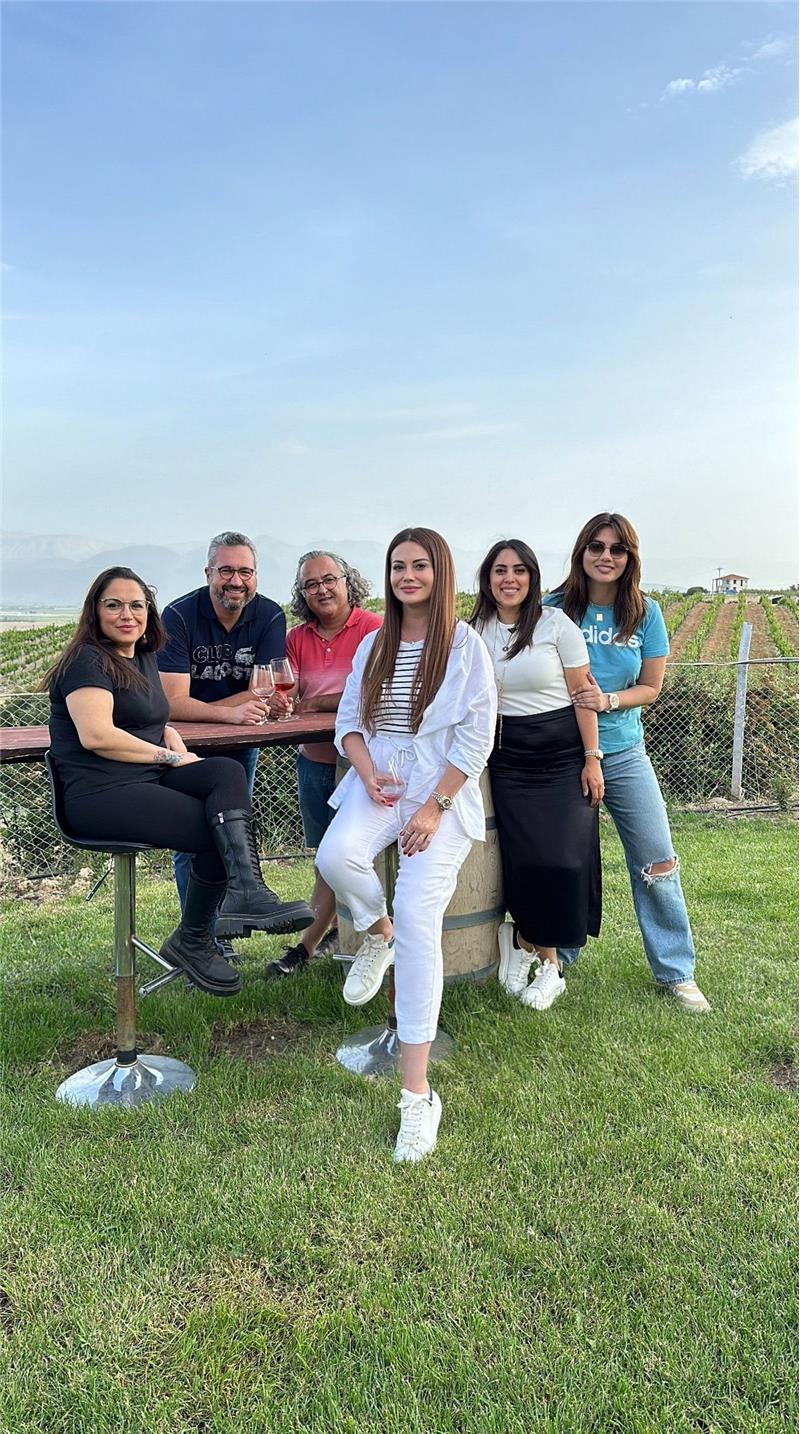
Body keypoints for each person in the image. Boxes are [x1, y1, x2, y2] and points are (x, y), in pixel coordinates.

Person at [316, 528, 497, 1163]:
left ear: (440, 573)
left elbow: (476, 739)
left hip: (439, 793)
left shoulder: (466, 647)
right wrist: (366, 773)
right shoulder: (375, 645)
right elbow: (349, 724)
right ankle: (377, 932)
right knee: (335, 857)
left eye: (420, 565)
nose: (407, 576)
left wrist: (434, 807)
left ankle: (417, 1095)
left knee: (420, 917)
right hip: (382, 782)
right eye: (398, 566)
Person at [46, 568, 314, 997]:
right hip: (99, 793)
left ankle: (245, 892)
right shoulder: (88, 661)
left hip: (143, 777)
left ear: (148, 611)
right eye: (114, 605)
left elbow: (149, 715)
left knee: (225, 771)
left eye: (137, 605)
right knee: (212, 828)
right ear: (94, 612)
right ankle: (195, 938)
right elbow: (97, 735)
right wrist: (170, 756)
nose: (127, 615)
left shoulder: (141, 655)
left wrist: (168, 734)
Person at [545, 512, 710, 1012]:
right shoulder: (554, 608)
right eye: (596, 547)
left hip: (624, 752)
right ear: (581, 552)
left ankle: (676, 971)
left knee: (657, 859)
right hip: (562, 753)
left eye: (617, 549)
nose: (606, 556)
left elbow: (651, 687)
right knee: (566, 860)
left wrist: (608, 701)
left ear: (630, 558)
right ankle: (556, 958)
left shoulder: (645, 613)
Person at [471, 540, 603, 1012]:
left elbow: (583, 695)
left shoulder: (556, 624)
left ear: (532, 577)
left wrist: (592, 758)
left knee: (565, 861)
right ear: (487, 578)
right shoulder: (473, 631)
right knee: (524, 862)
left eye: (519, 570)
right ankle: (547, 961)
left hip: (563, 756)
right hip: (506, 759)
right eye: (500, 570)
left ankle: (529, 946)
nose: (509, 579)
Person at [157, 531, 286, 944]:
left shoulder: (269, 615)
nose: (236, 581)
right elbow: (171, 703)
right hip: (185, 747)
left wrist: (215, 708)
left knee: (232, 838)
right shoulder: (178, 616)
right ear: (208, 573)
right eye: (226, 571)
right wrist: (230, 712)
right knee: (194, 839)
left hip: (241, 746)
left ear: (256, 575)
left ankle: (221, 935)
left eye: (245, 572)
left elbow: (266, 690)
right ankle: (201, 938)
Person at [267, 550, 383, 979]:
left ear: (348, 581)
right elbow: (288, 692)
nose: (321, 589)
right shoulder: (296, 638)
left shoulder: (374, 628)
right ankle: (336, 932)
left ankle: (307, 945)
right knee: (324, 857)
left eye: (329, 579)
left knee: (341, 856)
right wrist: (283, 703)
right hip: (313, 760)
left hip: (359, 767)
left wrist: (315, 703)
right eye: (311, 584)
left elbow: (373, 690)